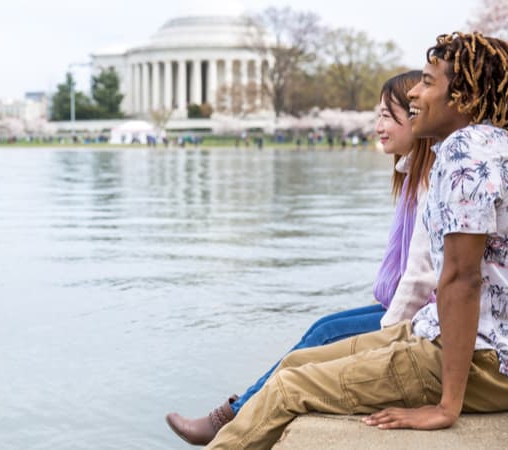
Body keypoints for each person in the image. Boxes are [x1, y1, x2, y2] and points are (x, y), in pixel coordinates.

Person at [204, 31, 508, 450]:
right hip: (475, 345)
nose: (415, 95)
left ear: (461, 96)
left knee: (287, 389)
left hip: (489, 364)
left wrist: (447, 407)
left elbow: (463, 281)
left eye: (427, 82)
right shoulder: (482, 145)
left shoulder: (467, 158)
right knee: (296, 363)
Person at [165, 70, 438, 445]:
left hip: (420, 318)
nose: (377, 126)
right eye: (377, 115)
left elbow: (421, 278)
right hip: (410, 309)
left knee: (325, 334)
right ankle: (234, 411)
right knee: (323, 326)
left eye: (387, 116)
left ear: (416, 117)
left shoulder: (428, 180)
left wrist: (386, 335)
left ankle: (230, 417)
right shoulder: (412, 175)